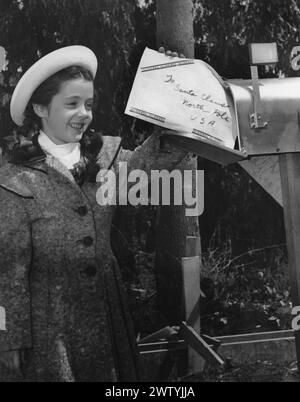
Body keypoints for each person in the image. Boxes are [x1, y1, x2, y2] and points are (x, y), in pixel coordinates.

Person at [0, 45, 188, 381]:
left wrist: (173, 88)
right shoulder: (14, 178)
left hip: (105, 309)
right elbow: (7, 271)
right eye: (71, 104)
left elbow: (155, 159)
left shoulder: (107, 158)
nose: (83, 113)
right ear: (41, 107)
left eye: (88, 104)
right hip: (47, 324)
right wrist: (8, 337)